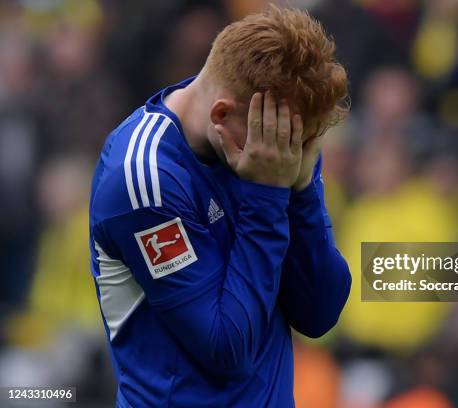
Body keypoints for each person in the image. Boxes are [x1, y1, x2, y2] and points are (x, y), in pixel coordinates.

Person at [88, 6, 352, 407]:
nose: (291, 152)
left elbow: (319, 313)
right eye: (287, 141)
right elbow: (227, 347)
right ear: (221, 115)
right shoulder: (143, 177)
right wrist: (266, 195)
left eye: (300, 141)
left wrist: (301, 196)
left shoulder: (269, 135)